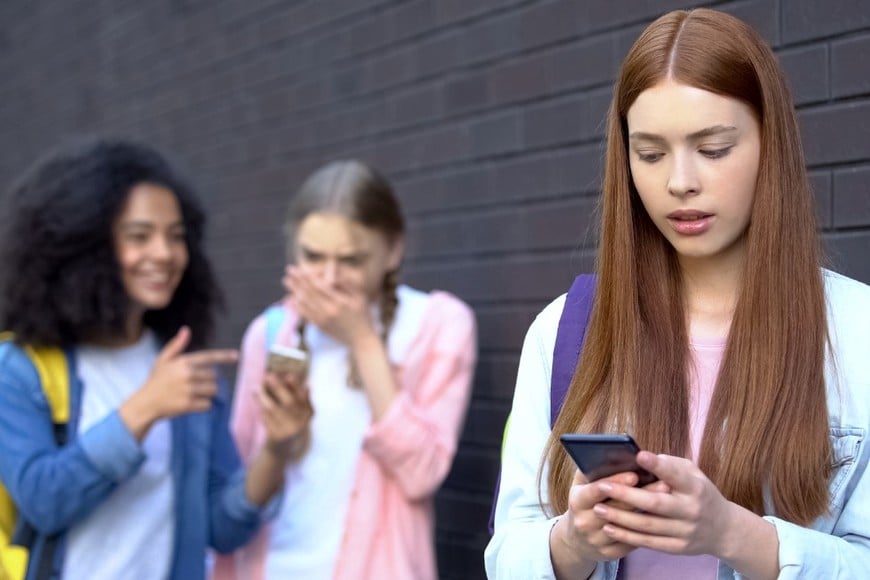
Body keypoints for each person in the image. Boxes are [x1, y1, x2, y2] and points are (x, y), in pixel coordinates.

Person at [485, 8, 870, 580]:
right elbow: (505, 556)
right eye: (650, 153)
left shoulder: (856, 330)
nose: (678, 181)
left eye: (713, 149)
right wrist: (573, 541)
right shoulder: (566, 330)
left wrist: (734, 534)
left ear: (772, 145)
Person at [0, 138, 302, 579]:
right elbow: (46, 503)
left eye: (176, 237)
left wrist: (276, 449)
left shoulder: (188, 368)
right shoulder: (22, 368)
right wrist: (146, 407)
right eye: (139, 236)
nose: (164, 253)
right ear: (86, 247)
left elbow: (222, 528)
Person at [212, 160, 477, 580]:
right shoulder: (269, 333)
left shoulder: (438, 324)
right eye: (312, 257)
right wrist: (278, 444)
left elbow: (422, 473)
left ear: (392, 251)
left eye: (351, 260)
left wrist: (363, 340)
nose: (329, 279)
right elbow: (235, 489)